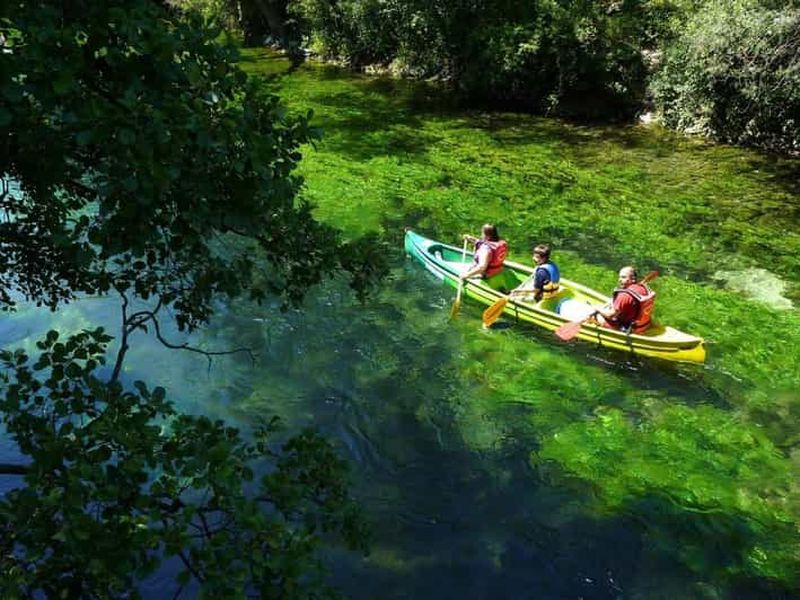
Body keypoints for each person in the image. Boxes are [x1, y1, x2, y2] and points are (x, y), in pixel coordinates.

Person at [594, 266, 655, 333]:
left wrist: (597, 308)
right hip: (643, 326)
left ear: (633, 279)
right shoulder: (643, 288)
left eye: (623, 277)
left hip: (627, 328)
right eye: (619, 277)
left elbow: (610, 315)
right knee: (609, 305)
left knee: (593, 313)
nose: (619, 280)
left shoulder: (624, 295)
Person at [459, 224, 511, 290]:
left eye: (482, 233)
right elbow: (481, 242)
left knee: (468, 272)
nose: (481, 235)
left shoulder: (485, 249)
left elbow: (481, 267)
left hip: (485, 274)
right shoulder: (500, 243)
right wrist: (470, 238)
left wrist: (466, 275)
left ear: (487, 236)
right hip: (498, 270)